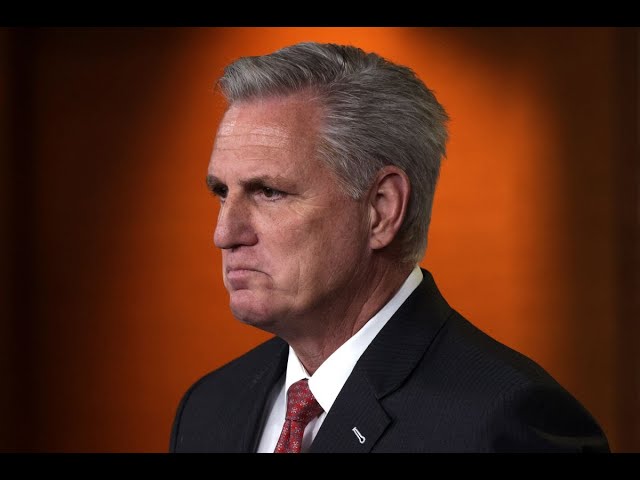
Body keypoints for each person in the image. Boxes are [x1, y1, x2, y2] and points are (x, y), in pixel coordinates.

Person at [169, 42, 610, 453]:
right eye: (221, 192)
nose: (224, 234)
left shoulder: (504, 424)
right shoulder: (208, 407)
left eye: (268, 192)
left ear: (381, 209)